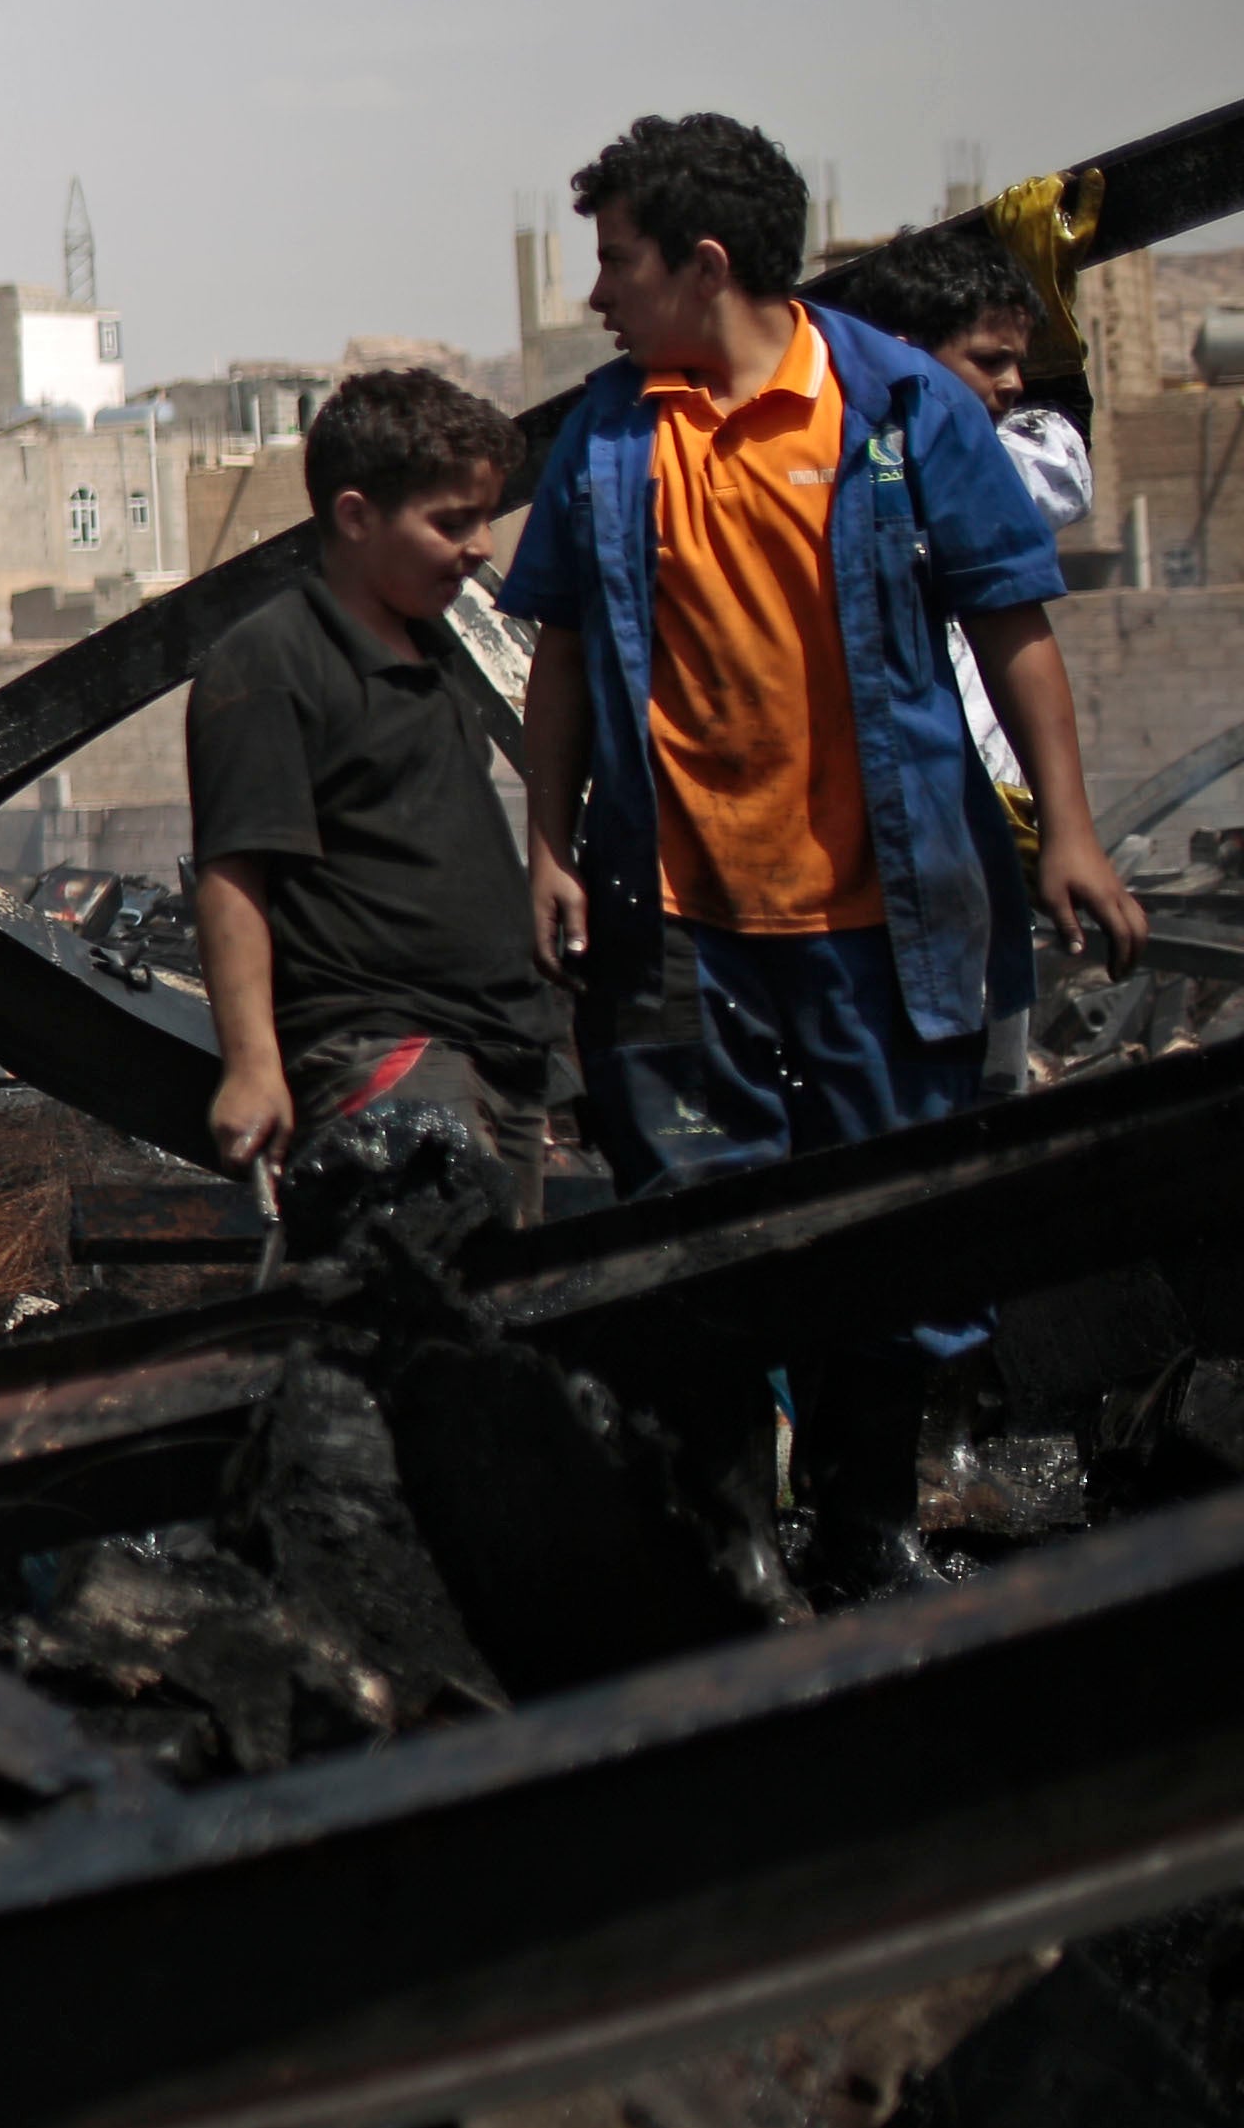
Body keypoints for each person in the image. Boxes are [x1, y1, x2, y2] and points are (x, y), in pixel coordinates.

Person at [503, 116, 1143, 1583]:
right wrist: (549, 847)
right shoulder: (613, 434)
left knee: (891, 1240)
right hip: (672, 933)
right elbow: (560, 660)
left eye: (617, 264)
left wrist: (1073, 839)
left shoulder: (904, 411)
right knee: (697, 1239)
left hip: (883, 926)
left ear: (703, 264)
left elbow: (1013, 629)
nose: (598, 296)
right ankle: (737, 1557)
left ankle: (868, 1532)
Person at [186, 369, 553, 1258]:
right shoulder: (272, 663)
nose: (479, 548)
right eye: (451, 522)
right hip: (387, 1053)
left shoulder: (429, 651)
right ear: (355, 517)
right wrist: (253, 1066)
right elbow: (236, 875)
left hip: (498, 1053)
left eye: (485, 519)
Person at [806, 228, 1105, 868]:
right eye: (990, 361)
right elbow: (1060, 468)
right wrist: (1061, 357)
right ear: (908, 360)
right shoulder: (936, 468)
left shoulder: (834, 453)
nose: (1015, 384)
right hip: (925, 818)